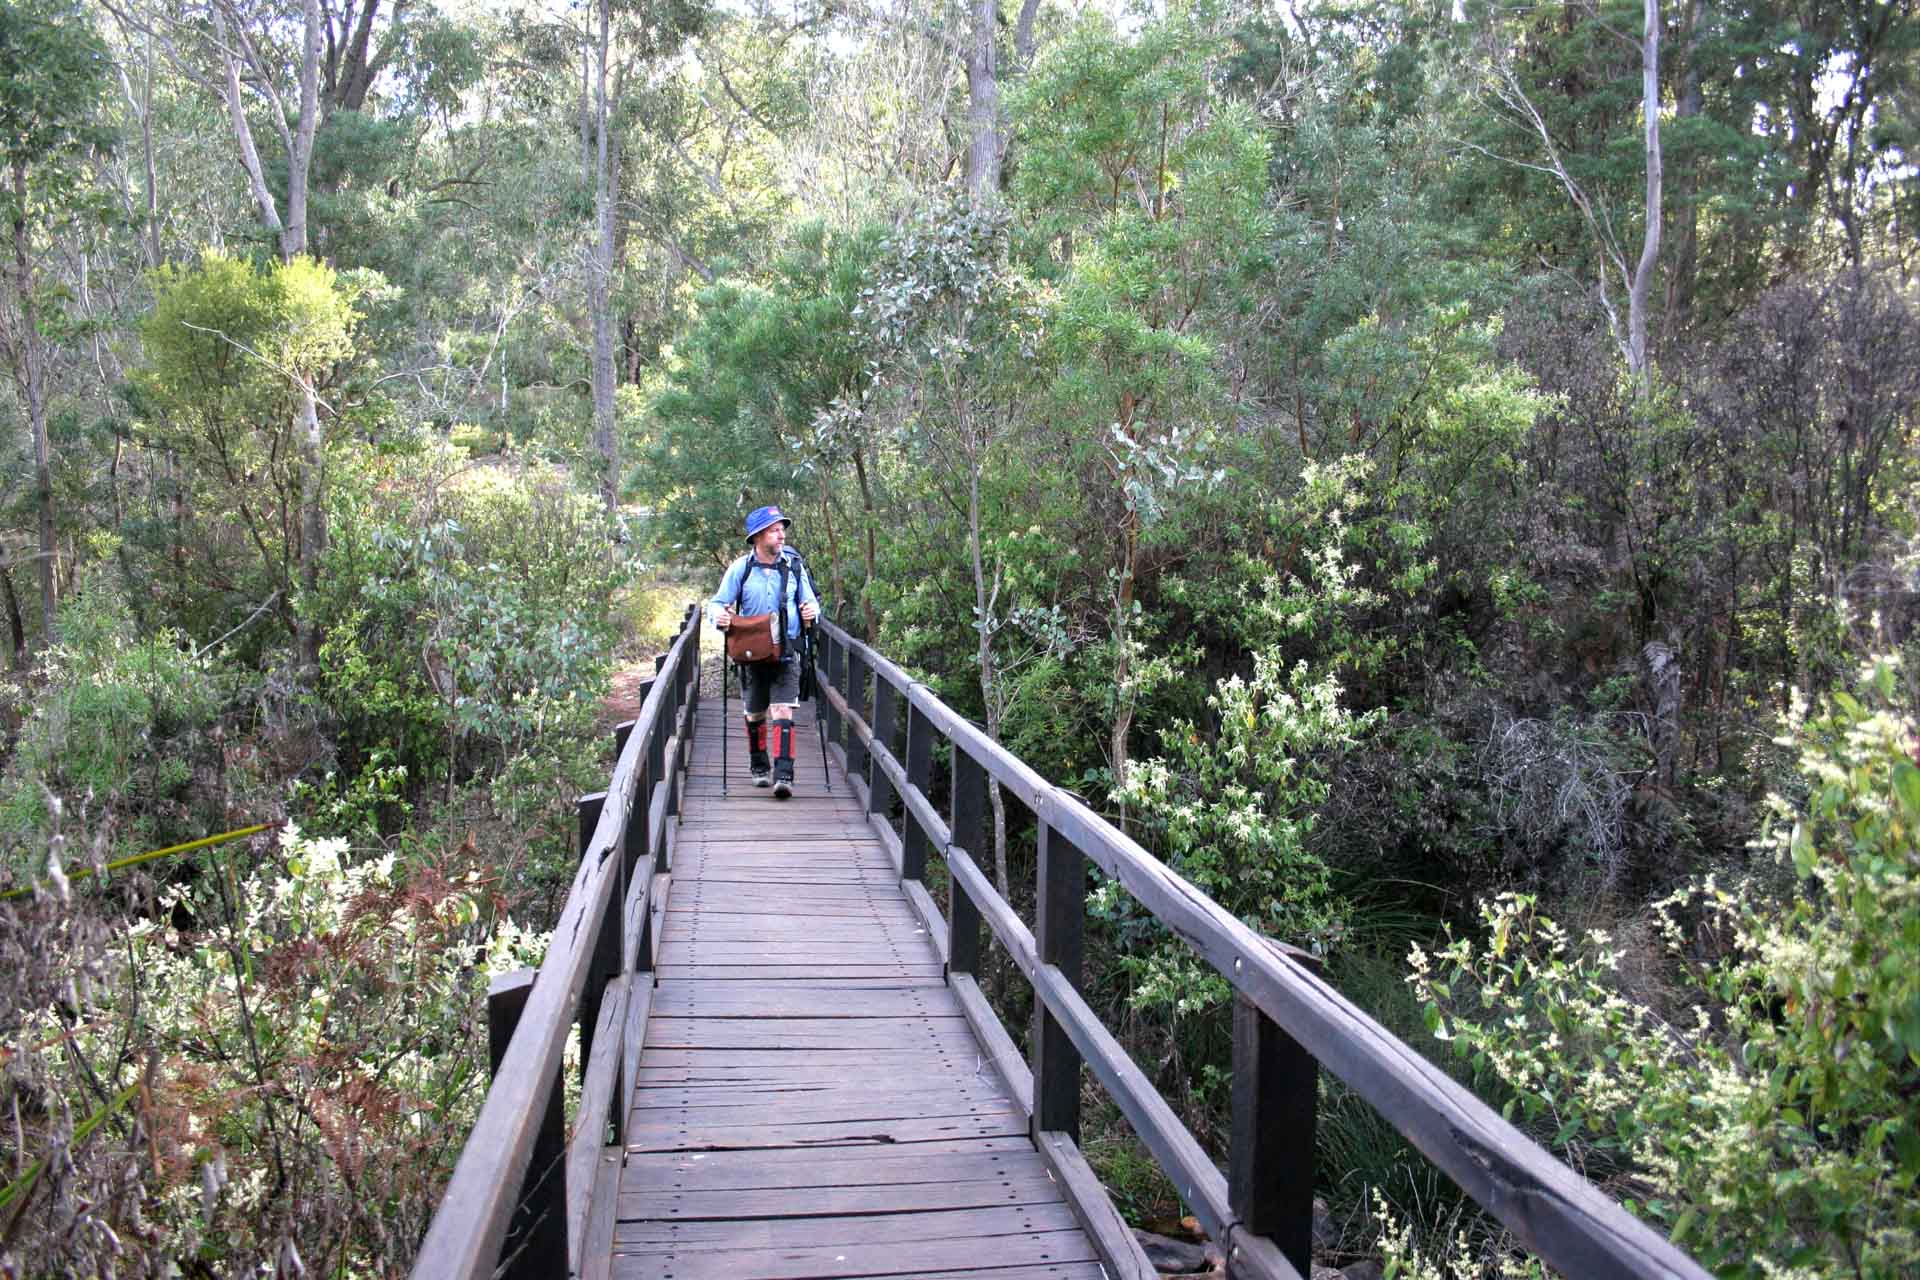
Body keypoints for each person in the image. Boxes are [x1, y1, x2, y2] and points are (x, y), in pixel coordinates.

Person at [709, 505, 820, 797]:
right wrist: (720, 617)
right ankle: (759, 767)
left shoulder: (794, 566)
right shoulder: (741, 569)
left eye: (782, 529)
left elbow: (810, 601)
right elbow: (717, 604)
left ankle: (784, 776)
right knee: (755, 713)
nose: (781, 535)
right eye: (774, 530)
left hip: (787, 651)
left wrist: (811, 611)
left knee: (783, 710)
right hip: (752, 653)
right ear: (758, 536)